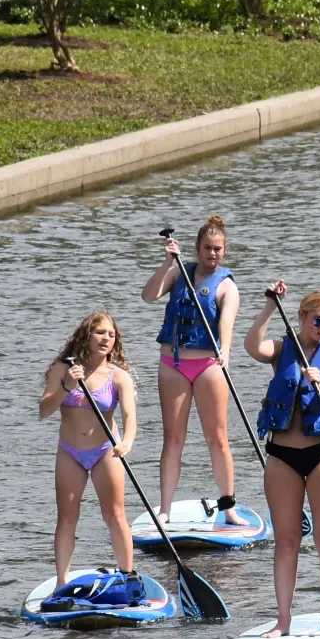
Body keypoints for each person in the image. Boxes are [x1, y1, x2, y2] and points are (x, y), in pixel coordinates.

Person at [244, 282, 320, 638]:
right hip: (282, 455)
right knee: (286, 540)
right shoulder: (281, 349)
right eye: (319, 321)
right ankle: (283, 621)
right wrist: (269, 307)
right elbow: (251, 346)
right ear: (302, 317)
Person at [138, 215, 241, 520]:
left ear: (224, 251)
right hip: (173, 364)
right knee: (173, 438)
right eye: (208, 247)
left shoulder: (226, 286)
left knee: (217, 437)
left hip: (209, 365)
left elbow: (226, 326)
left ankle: (229, 507)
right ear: (197, 248)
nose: (212, 253)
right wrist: (167, 263)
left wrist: (225, 352)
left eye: (218, 249)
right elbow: (148, 296)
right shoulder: (178, 273)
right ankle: (165, 509)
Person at [38, 312, 139, 591]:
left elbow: (130, 416)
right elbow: (44, 410)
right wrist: (66, 387)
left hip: (106, 450)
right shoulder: (64, 368)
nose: (105, 338)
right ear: (86, 336)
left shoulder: (119, 377)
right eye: (99, 333)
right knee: (67, 517)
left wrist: (127, 441)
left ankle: (128, 576)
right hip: (70, 452)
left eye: (110, 334)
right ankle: (61, 582)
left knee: (115, 515)